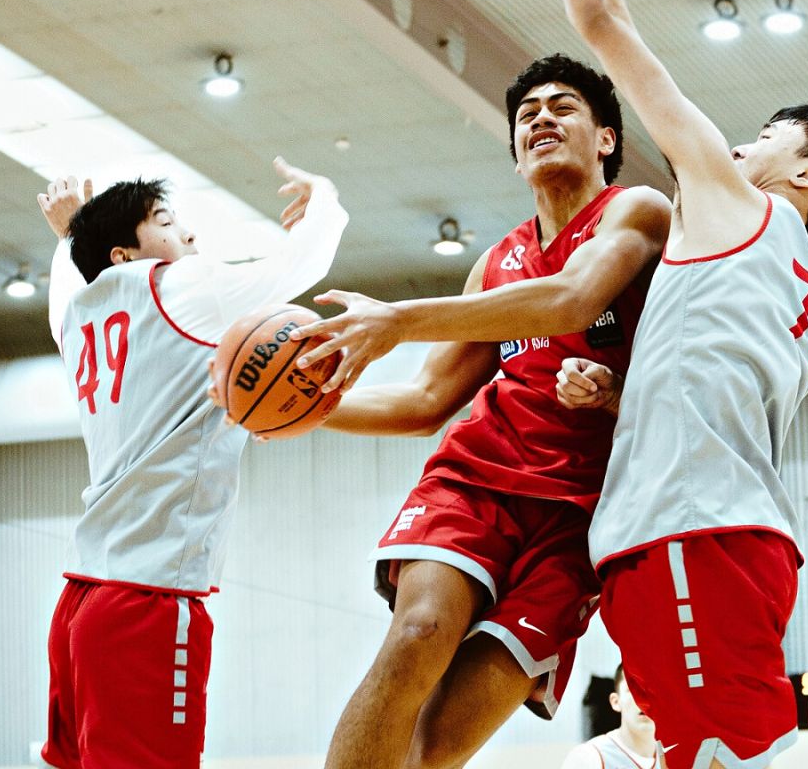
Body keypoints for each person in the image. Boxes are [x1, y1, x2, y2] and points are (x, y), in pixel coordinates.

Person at [278, 55, 671, 769]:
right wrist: (303, 407)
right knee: (419, 633)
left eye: (562, 108)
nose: (541, 119)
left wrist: (398, 319)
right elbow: (425, 401)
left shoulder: (636, 212)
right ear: (518, 157)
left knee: (438, 746)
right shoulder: (494, 264)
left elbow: (574, 299)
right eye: (527, 116)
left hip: (583, 514)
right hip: (477, 483)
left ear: (606, 138)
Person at [548, 0, 808, 769]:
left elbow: (604, 21)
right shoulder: (807, 294)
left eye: (768, 135)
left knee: (722, 758)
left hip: (694, 533)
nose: (739, 144)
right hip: (709, 534)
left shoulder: (739, 207)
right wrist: (624, 397)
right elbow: (717, 392)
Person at [35, 158, 347, 769]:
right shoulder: (180, 287)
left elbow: (74, 277)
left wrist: (74, 235)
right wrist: (326, 197)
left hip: (79, 600)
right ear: (127, 255)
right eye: (168, 222)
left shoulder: (72, 319)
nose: (191, 238)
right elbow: (302, 264)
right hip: (145, 599)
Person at [562, 664, 663, 769]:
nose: (645, 701)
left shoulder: (675, 757)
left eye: (653, 690)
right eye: (635, 690)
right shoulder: (587, 757)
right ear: (615, 701)